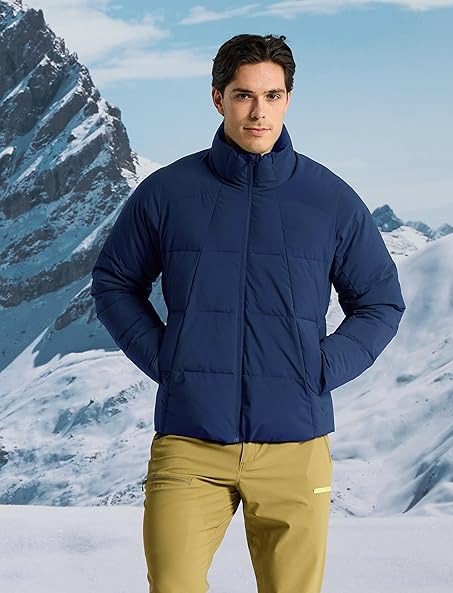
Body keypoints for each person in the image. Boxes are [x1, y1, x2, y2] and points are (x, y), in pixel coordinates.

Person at [91, 33, 406, 593]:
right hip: (190, 443)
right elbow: (115, 281)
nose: (259, 112)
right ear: (218, 98)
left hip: (296, 448)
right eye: (244, 95)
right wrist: (168, 361)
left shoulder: (330, 200)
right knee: (173, 585)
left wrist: (319, 369)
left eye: (273, 95)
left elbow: (380, 302)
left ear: (289, 99)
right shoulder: (167, 193)